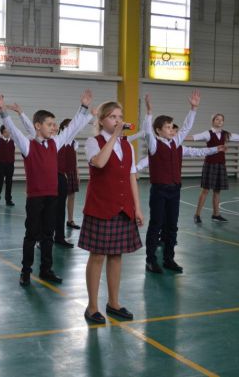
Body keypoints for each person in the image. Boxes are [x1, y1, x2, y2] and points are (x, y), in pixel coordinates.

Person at [0, 90, 95, 287]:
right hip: (35, 198)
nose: (54, 127)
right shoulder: (28, 145)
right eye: (49, 124)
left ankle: (46, 269)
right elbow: (13, 129)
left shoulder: (55, 142)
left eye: (54, 124)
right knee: (32, 235)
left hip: (52, 197)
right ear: (38, 126)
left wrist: (83, 107)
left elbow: (73, 127)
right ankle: (26, 271)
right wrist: (4, 111)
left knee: (48, 235)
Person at [80, 101, 143, 324]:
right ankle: (92, 307)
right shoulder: (93, 142)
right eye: (112, 117)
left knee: (117, 256)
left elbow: (131, 177)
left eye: (119, 116)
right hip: (100, 207)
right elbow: (99, 163)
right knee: (97, 256)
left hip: (123, 208)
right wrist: (115, 136)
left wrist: (137, 207)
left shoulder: (128, 146)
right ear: (101, 120)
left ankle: (113, 303)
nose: (118, 120)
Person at [143, 92, 199, 274]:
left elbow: (186, 127)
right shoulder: (154, 144)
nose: (170, 129)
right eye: (167, 127)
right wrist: (149, 112)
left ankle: (169, 259)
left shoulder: (176, 142)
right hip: (159, 190)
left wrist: (193, 109)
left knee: (172, 226)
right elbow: (147, 131)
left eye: (171, 126)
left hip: (175, 189)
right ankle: (151, 260)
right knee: (156, 224)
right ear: (158, 130)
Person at [186, 114, 239, 223]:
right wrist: (177, 137)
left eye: (221, 120)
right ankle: (197, 215)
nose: (220, 121)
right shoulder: (208, 133)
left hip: (221, 164)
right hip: (210, 164)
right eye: (217, 119)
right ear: (213, 121)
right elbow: (193, 137)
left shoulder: (226, 134)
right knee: (205, 190)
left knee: (217, 191)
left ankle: (216, 215)